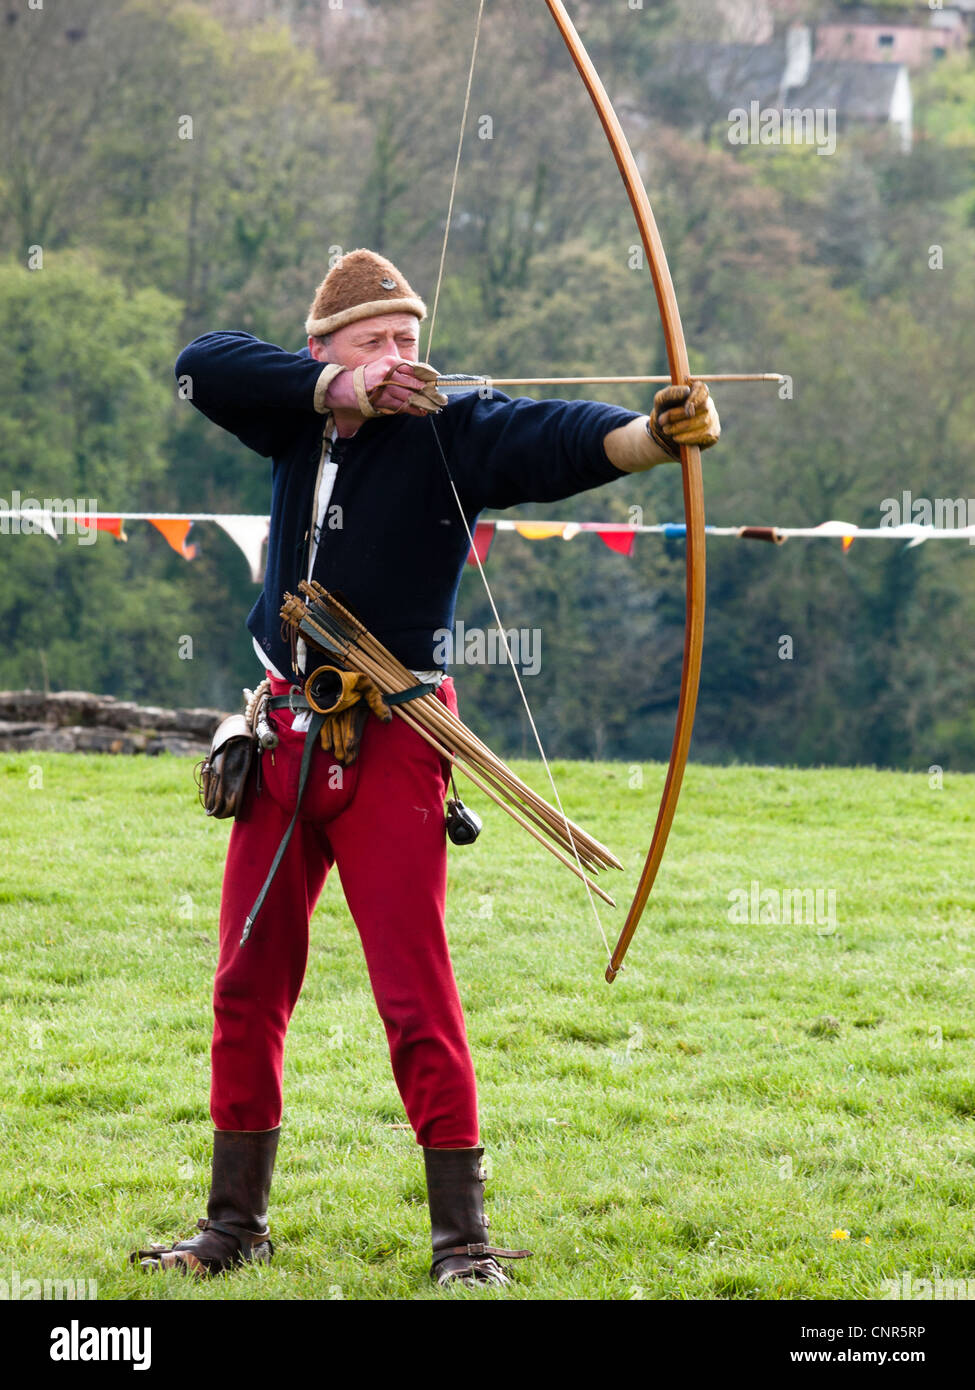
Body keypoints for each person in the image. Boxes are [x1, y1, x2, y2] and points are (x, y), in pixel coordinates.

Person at [130, 249, 720, 1288]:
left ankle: (463, 1240)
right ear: (327, 353)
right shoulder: (295, 412)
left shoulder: (453, 427)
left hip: (398, 739)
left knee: (416, 992)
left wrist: (649, 437)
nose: (402, 356)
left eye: (410, 339)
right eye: (376, 343)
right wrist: (336, 390)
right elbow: (201, 362)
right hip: (279, 736)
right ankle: (233, 1225)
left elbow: (552, 436)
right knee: (245, 982)